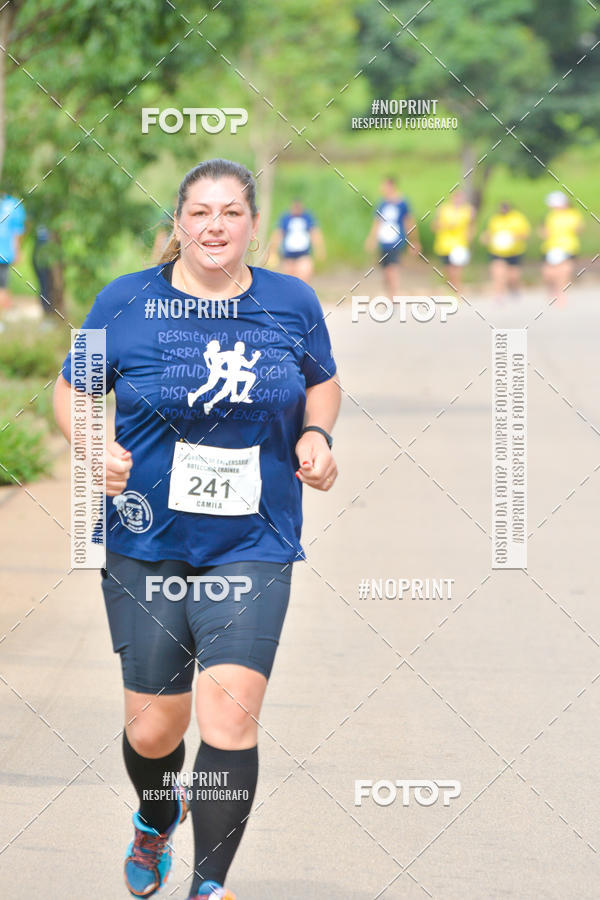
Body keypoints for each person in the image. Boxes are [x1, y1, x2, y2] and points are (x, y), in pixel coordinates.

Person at [53, 158, 340, 900]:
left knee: (229, 715)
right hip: (145, 542)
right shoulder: (125, 302)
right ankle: (156, 816)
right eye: (201, 212)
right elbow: (73, 386)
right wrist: (93, 446)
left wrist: (317, 437)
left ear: (252, 224)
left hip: (254, 542)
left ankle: (209, 887)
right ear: (178, 222)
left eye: (231, 213)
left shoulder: (291, 301)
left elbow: (322, 379)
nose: (216, 226)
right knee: (154, 733)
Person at [364, 176, 420, 295]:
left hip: (396, 239)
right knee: (385, 270)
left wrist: (413, 241)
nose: (381, 188)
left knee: (393, 268)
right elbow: (377, 222)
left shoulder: (402, 203)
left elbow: (408, 222)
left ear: (391, 186)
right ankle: (390, 293)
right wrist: (372, 239)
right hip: (384, 240)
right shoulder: (382, 203)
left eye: (384, 185)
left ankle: (393, 297)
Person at [480, 201, 531, 300]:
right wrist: (486, 238)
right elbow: (489, 233)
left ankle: (514, 289)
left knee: (513, 277)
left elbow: (525, 234)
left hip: (515, 251)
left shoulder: (518, 218)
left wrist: (512, 237)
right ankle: (498, 295)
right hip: (497, 252)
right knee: (498, 273)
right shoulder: (495, 219)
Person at [540, 191, 583, 305]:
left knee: (564, 271)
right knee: (548, 273)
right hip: (550, 247)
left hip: (568, 247)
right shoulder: (551, 216)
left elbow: (578, 228)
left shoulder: (572, 214)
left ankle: (561, 294)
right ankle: (552, 290)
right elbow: (545, 231)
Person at [269, 200, 325, 283]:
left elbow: (315, 234)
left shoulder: (307, 218)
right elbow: (278, 234)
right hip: (288, 255)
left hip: (303, 254)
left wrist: (319, 249)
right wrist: (272, 251)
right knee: (289, 281)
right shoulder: (286, 218)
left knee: (304, 277)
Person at [432, 189, 475, 294]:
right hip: (444, 245)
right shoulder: (443, 209)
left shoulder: (468, 211)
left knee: (457, 270)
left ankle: (457, 291)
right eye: (456, 197)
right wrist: (446, 226)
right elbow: (434, 226)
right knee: (448, 271)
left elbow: (472, 226)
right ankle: (452, 289)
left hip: (460, 245)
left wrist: (470, 236)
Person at [0, 192, 26, 309]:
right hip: (5, 252)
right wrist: (17, 251)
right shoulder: (15, 204)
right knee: (3, 286)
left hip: (4, 252)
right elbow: (17, 231)